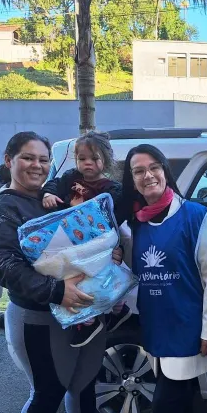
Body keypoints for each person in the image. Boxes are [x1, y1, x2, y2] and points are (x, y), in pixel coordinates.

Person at [0, 131, 130, 413]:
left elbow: (88, 236)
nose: (37, 165)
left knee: (84, 384)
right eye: (28, 158)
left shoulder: (56, 196)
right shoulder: (3, 209)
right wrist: (57, 291)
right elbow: (1, 264)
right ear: (9, 160)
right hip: (39, 319)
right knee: (47, 392)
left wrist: (111, 253)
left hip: (85, 310)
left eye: (43, 159)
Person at [120, 144, 207, 413]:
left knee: (165, 404)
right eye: (138, 171)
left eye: (154, 167)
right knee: (177, 404)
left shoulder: (196, 217)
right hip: (155, 326)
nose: (148, 175)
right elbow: (130, 272)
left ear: (165, 170)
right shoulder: (135, 225)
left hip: (188, 327)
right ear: (132, 180)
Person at [40, 131, 129, 346]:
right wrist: (48, 195)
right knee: (76, 281)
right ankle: (101, 316)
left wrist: (111, 244)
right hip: (70, 240)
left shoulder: (112, 189)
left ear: (105, 160)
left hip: (97, 243)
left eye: (94, 158)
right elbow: (52, 184)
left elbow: (117, 219)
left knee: (93, 280)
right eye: (82, 158)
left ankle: (99, 317)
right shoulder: (70, 178)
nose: (87, 163)